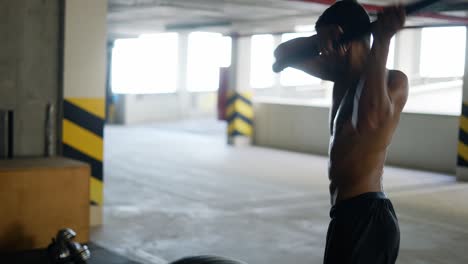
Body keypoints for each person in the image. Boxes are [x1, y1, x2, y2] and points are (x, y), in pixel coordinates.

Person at [274, 0, 408, 263]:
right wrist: (318, 40)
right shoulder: (339, 75)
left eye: (328, 48)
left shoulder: (394, 81)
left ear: (346, 42)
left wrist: (382, 41)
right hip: (345, 215)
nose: (323, 55)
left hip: (369, 216)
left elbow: (368, 120)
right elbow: (281, 55)